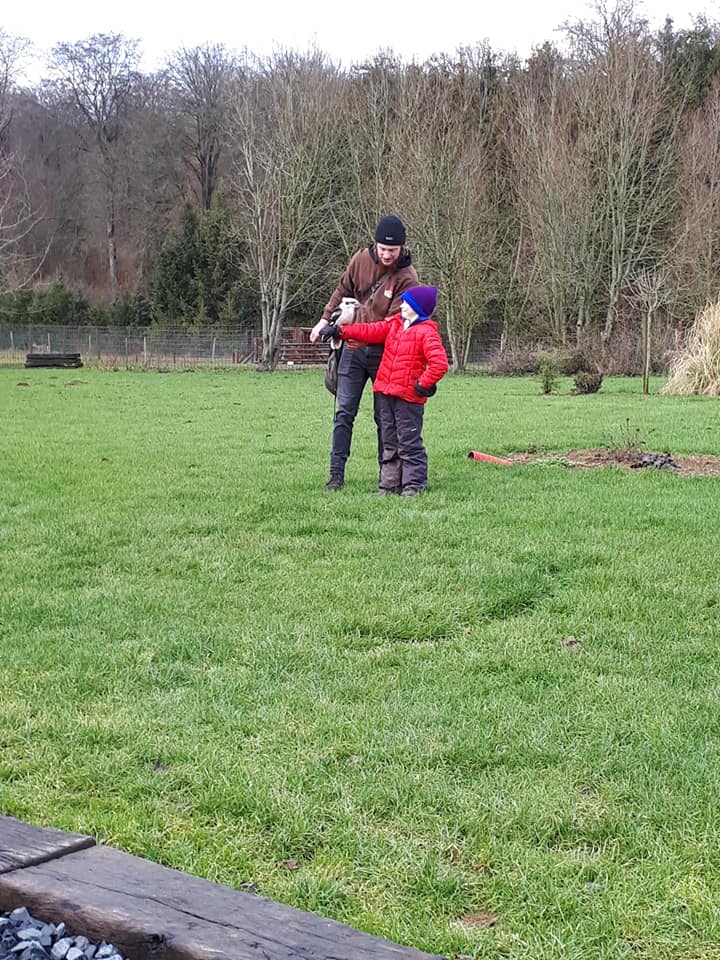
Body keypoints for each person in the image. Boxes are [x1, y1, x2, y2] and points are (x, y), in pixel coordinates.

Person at [310, 216, 418, 491]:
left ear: (401, 248)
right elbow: (342, 289)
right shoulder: (360, 260)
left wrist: (350, 318)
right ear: (375, 244)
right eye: (382, 248)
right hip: (352, 349)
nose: (387, 254)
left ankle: (388, 477)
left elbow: (390, 324)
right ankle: (335, 476)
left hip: (384, 354)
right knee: (344, 412)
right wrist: (325, 320)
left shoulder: (408, 278)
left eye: (392, 250)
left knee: (385, 418)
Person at [318, 285, 449, 496]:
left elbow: (440, 364)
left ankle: (414, 486)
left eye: (407, 303)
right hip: (386, 393)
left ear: (417, 308)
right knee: (389, 443)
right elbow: (370, 330)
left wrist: (423, 384)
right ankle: (389, 485)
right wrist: (341, 331)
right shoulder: (395, 325)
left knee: (408, 443)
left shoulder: (427, 332)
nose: (402, 305)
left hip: (408, 398)